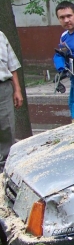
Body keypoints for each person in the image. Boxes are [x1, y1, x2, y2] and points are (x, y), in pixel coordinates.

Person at [0, 31, 24, 170]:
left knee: (6, 128)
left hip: (3, 88)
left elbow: (12, 66)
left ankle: (5, 169)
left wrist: (17, 90)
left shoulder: (1, 35)